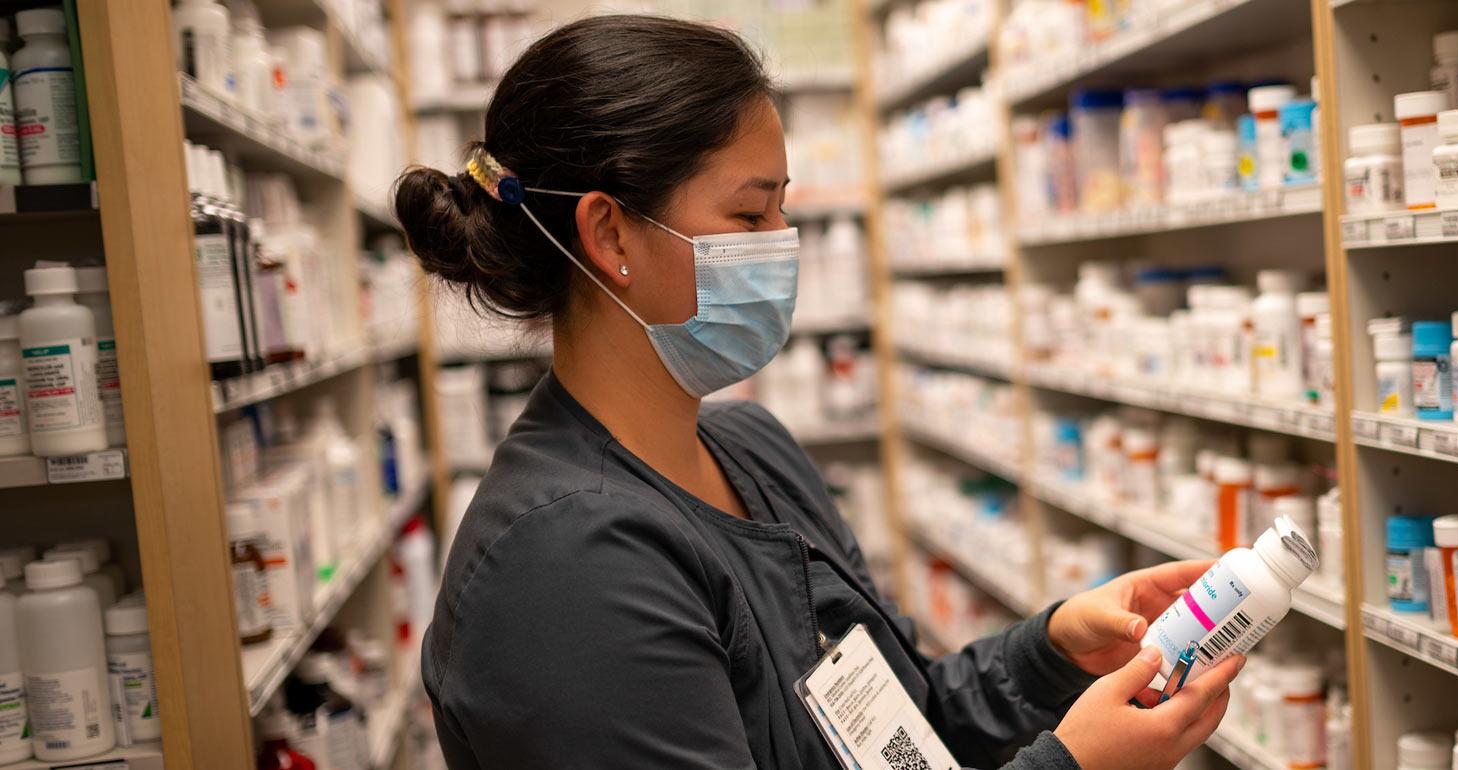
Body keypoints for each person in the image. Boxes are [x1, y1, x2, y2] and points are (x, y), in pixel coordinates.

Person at [394, 15, 1244, 770]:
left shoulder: (751, 450)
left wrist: (1052, 652)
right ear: (610, 231)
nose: (785, 243)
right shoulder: (563, 571)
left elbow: (894, 734)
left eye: (783, 209)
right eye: (752, 214)